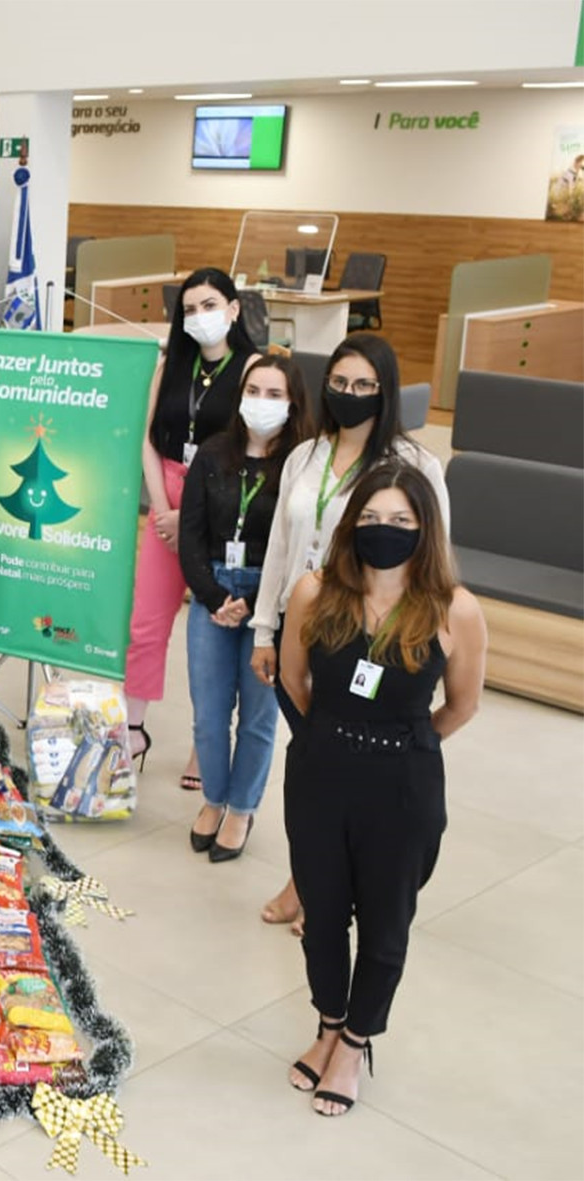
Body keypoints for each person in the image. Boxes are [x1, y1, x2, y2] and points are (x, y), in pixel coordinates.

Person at [276, 463, 483, 1116]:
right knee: (322, 917)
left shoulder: (455, 608)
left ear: (425, 530)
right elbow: (293, 679)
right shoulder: (316, 591)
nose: (383, 531)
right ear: (349, 523)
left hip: (403, 787)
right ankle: (329, 1022)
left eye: (400, 521)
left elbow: (460, 706)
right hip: (319, 775)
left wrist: (400, 745)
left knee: (387, 926)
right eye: (370, 518)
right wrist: (337, 739)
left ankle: (356, 1041)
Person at [249, 333, 449, 932]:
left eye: (364, 385)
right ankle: (311, 879)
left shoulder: (416, 467)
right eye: (339, 383)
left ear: (384, 391)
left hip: (367, 639)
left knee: (353, 775)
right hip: (299, 626)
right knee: (312, 763)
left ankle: (327, 891)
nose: (350, 395)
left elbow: (433, 560)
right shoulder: (304, 456)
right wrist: (265, 628)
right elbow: (280, 550)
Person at [127, 266, 257, 784]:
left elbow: (251, 449)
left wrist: (192, 515)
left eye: (210, 305)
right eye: (190, 309)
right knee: (144, 624)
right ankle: (132, 730)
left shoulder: (251, 369)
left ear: (234, 309)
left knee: (213, 632)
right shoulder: (171, 365)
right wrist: (162, 510)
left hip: (222, 503)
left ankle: (208, 745)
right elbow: (147, 439)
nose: (200, 317)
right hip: (167, 503)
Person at [177, 354, 308, 861]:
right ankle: (213, 799)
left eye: (275, 394)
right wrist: (214, 597)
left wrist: (254, 604)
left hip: (270, 600)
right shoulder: (212, 454)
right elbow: (190, 537)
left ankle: (241, 809)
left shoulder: (300, 465)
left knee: (258, 717)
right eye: (254, 390)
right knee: (209, 714)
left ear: (293, 403)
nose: (262, 402)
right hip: (213, 593)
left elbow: (297, 547)